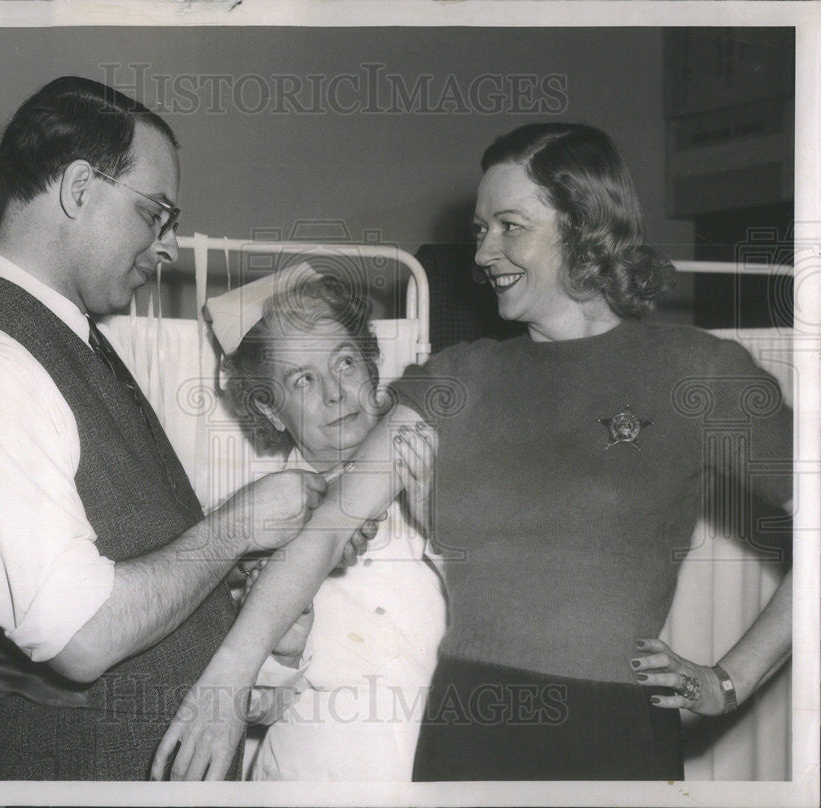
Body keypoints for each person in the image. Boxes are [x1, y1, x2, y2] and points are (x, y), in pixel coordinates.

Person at [151, 122, 792, 782]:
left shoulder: (698, 371)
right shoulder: (457, 377)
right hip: (466, 734)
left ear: (583, 222)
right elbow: (324, 530)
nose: (484, 252)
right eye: (480, 229)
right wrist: (225, 682)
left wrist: (729, 679)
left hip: (613, 734)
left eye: (509, 226)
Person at [0, 76, 366, 780]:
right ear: (80, 188)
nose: (168, 246)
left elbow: (134, 571)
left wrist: (246, 618)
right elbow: (80, 635)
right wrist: (237, 525)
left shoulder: (74, 345)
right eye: (156, 215)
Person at [204, 265, 446, 780]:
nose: (335, 393)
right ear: (270, 411)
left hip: (435, 765)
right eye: (303, 380)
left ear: (371, 370)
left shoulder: (433, 468)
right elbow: (257, 707)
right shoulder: (251, 529)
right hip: (316, 775)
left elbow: (503, 620)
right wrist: (286, 649)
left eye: (344, 363)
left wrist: (437, 524)